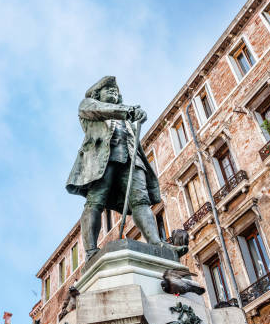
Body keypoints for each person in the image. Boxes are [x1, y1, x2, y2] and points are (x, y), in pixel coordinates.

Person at [66, 76, 186, 261]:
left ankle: (156, 242)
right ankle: (91, 252)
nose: (114, 92)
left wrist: (138, 116)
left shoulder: (125, 116)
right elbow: (99, 110)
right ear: (98, 94)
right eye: (108, 90)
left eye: (116, 91)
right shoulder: (89, 105)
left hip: (131, 159)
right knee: (95, 202)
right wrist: (128, 111)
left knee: (141, 201)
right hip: (102, 161)